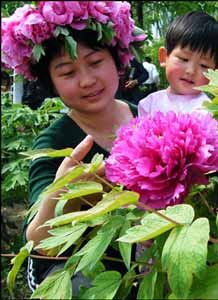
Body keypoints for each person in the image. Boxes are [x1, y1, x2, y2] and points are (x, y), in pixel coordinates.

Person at [1, 1, 146, 297]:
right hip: (86, 276)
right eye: (67, 73)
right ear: (51, 83)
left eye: (95, 63)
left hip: (153, 264)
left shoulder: (147, 116)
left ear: (116, 60)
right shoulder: (54, 143)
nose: (87, 81)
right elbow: (39, 242)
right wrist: (66, 192)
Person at [138, 11, 218, 117]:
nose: (191, 71)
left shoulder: (210, 112)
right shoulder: (148, 105)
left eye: (204, 65)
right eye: (184, 59)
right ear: (164, 57)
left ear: (216, 74)